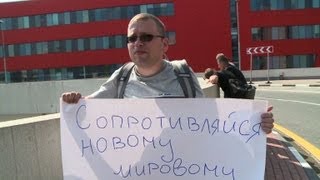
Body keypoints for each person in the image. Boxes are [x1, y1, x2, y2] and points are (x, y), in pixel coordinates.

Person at [62, 13, 274, 134]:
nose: (138, 43)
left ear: (164, 44)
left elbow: (210, 121)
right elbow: (87, 107)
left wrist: (254, 124)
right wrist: (73, 101)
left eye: (145, 37)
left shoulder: (182, 73)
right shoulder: (121, 76)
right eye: (132, 38)